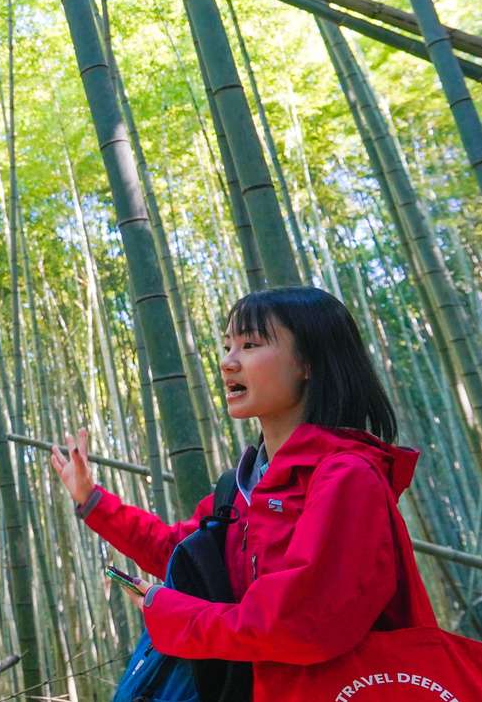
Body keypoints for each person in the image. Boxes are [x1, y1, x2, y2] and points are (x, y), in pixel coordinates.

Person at [49, 285, 427, 671]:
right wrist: (91, 498)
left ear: (307, 362)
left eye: (250, 345)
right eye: (227, 345)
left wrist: (171, 612)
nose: (228, 362)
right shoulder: (241, 489)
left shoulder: (346, 477)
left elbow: (301, 624)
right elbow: (176, 554)